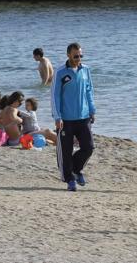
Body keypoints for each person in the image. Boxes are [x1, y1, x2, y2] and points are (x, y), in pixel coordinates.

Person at [51, 43, 96, 192]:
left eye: (81, 56)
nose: (79, 59)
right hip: (66, 119)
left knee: (89, 147)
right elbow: (55, 95)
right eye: (76, 56)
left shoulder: (86, 70)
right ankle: (69, 179)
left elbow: (89, 91)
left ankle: (76, 169)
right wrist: (57, 117)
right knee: (66, 151)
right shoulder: (61, 72)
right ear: (68, 55)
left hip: (83, 117)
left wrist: (92, 110)